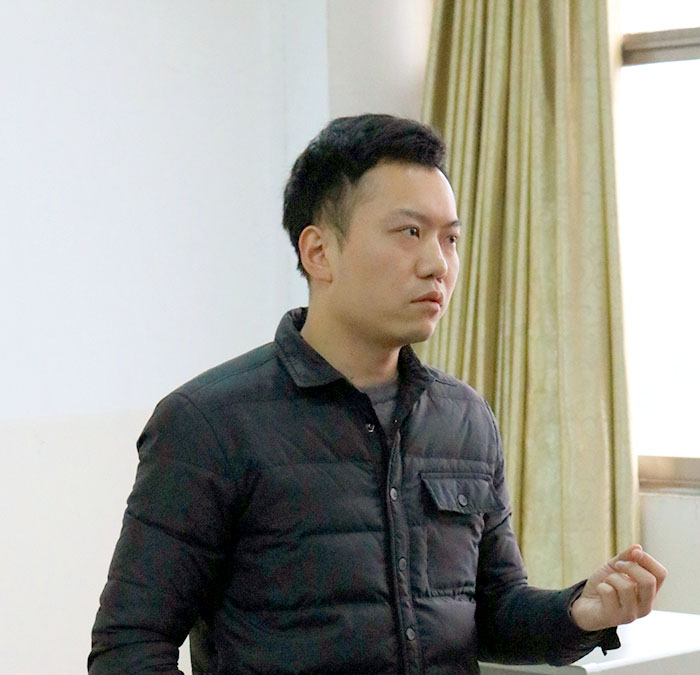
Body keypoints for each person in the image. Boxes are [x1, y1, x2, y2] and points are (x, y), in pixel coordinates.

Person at [88, 114, 667, 675]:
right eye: (410, 233)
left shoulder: (464, 418)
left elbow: (490, 612)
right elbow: (129, 646)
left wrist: (579, 612)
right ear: (319, 253)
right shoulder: (208, 423)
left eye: (450, 238)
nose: (437, 264)